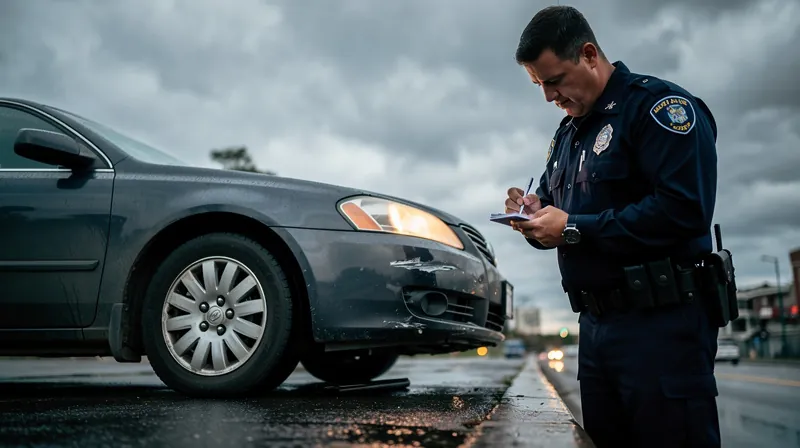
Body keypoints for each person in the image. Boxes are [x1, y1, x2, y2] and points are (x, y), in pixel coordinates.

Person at [505, 6, 723, 448]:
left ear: (588, 55)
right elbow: (557, 208)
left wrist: (572, 229)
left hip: (662, 325)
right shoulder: (569, 134)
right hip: (597, 327)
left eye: (554, 80)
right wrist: (532, 214)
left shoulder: (659, 108)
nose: (548, 96)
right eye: (538, 85)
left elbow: (684, 210)